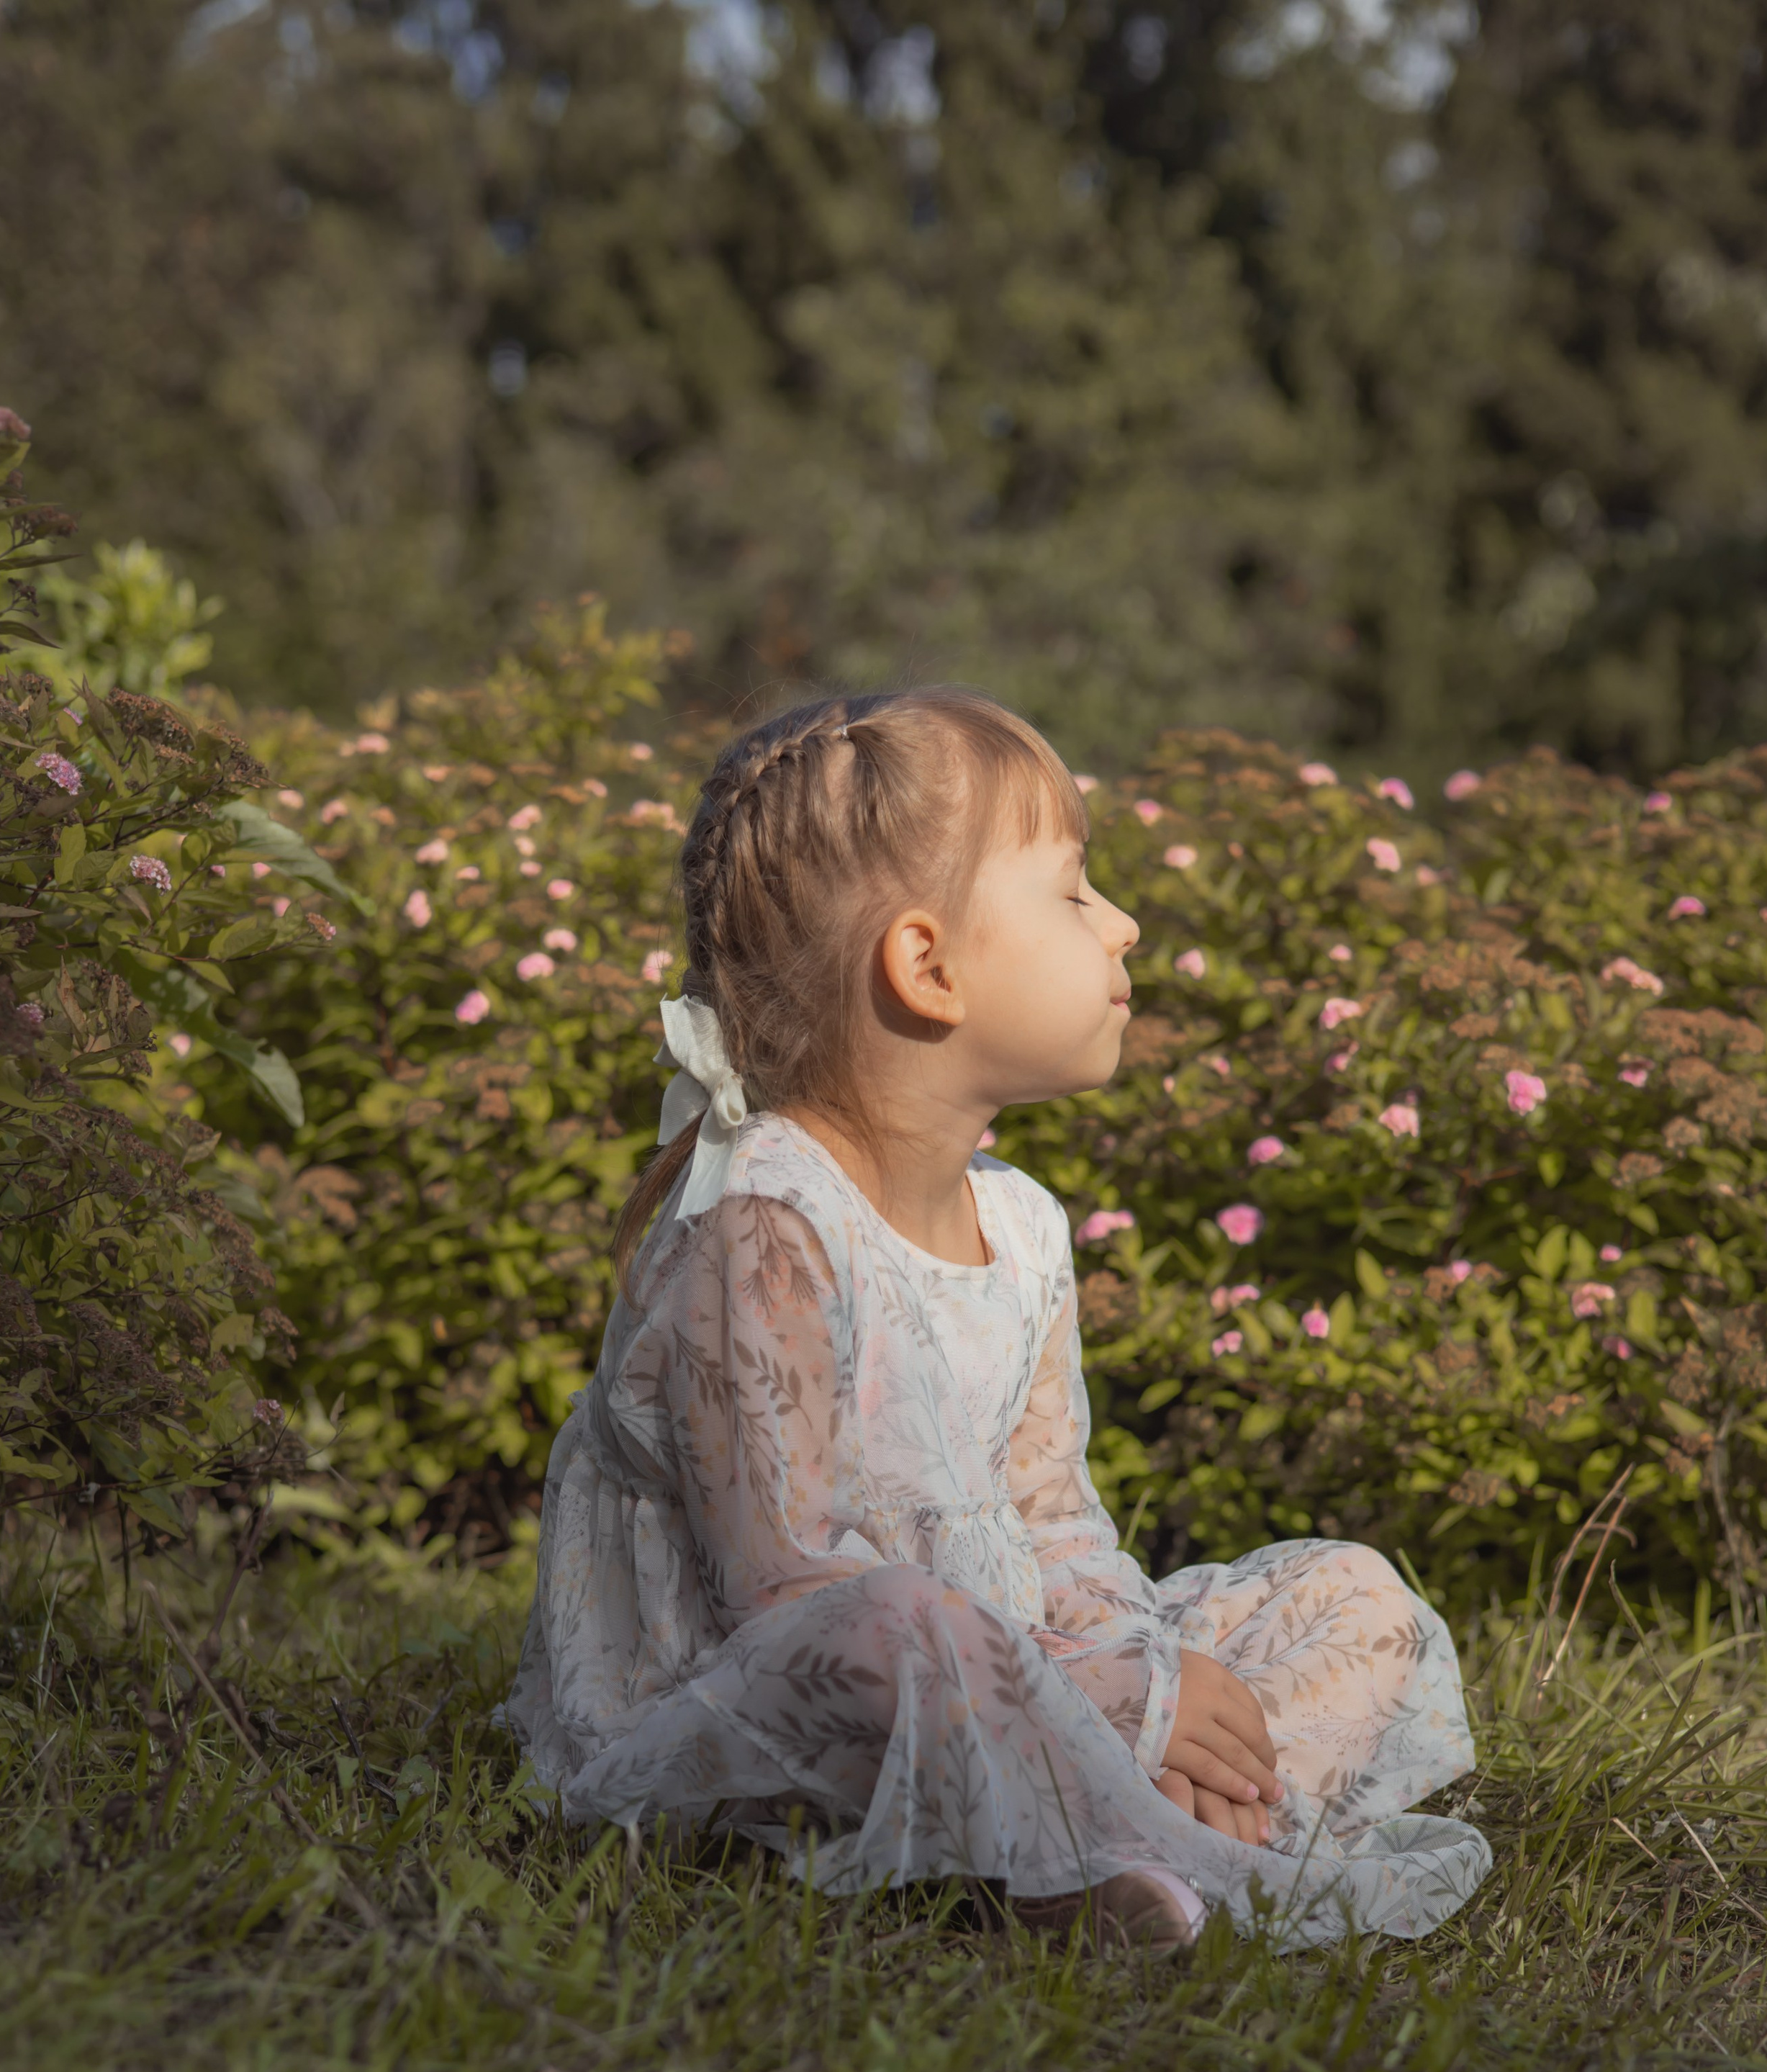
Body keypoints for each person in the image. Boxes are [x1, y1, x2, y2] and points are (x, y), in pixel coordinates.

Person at [507, 690, 1490, 1948]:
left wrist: (1148, 1674)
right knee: (902, 1624)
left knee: (1359, 1599)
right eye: (1076, 893)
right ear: (928, 966)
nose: (1124, 923)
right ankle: (1097, 1846)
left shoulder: (1021, 1227)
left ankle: (1172, 1815)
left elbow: (1054, 1522)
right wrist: (1125, 1697)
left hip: (1032, 1667)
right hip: (778, 1711)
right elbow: (786, 1599)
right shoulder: (761, 1228)